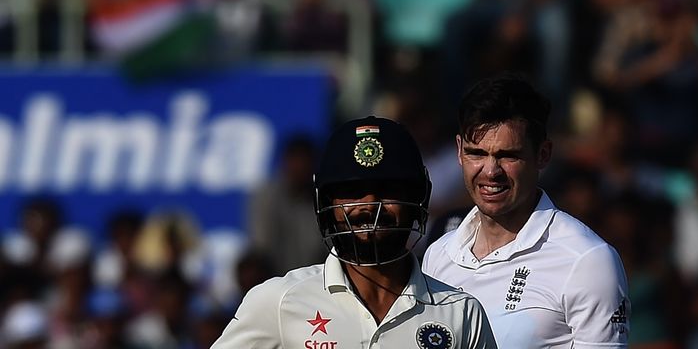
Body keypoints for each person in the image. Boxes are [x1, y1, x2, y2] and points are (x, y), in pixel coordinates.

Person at [212, 116, 497, 348]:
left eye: (388, 190)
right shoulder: (279, 301)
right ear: (326, 203)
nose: (370, 206)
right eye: (352, 192)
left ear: (417, 199)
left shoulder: (460, 313)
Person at [422, 75, 631, 348]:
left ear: (543, 154)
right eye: (477, 154)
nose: (490, 172)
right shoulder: (438, 254)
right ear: (459, 151)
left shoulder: (587, 259)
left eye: (508, 155)